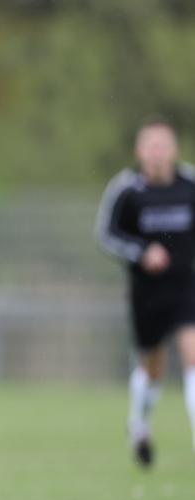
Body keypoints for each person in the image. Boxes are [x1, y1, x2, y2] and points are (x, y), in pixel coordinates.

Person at [95, 116, 195, 467]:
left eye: (162, 145)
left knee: (192, 355)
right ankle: (138, 424)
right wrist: (142, 252)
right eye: (149, 146)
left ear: (173, 150)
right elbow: (106, 236)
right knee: (152, 369)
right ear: (139, 151)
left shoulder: (189, 185)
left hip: (187, 290)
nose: (156, 153)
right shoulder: (126, 190)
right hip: (147, 295)